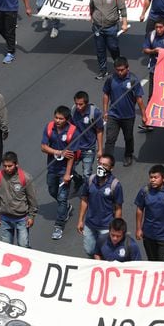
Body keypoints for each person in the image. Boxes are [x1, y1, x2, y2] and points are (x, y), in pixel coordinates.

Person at [42, 106, 80, 240]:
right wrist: (58, 152)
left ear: (67, 119)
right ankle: (67, 207)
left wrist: (67, 174)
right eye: (56, 117)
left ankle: (59, 226)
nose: (57, 120)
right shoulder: (49, 128)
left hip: (64, 170)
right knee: (53, 191)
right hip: (52, 169)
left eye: (61, 118)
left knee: (62, 197)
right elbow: (43, 147)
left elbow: (72, 156)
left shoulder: (72, 132)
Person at [101, 57, 147, 165]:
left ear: (127, 68)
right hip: (113, 115)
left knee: (128, 137)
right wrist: (105, 111)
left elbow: (139, 99)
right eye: (117, 70)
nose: (120, 72)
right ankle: (107, 160)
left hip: (128, 116)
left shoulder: (133, 80)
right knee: (110, 139)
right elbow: (106, 94)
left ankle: (128, 155)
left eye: (122, 70)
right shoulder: (111, 79)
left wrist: (144, 116)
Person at [77, 153, 123, 257]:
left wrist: (116, 227)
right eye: (100, 163)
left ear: (111, 168)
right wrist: (80, 220)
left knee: (105, 253)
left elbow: (118, 208)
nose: (101, 167)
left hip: (106, 227)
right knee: (89, 250)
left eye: (105, 165)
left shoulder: (115, 185)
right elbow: (84, 200)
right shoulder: (90, 180)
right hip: (90, 225)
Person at [0, 151, 38, 247]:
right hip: (5, 219)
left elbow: (32, 198)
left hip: (22, 219)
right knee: (6, 248)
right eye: (5, 166)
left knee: (23, 246)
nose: (7, 168)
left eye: (10, 166)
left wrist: (31, 216)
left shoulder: (25, 178)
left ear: (16, 164)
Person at [89, 0, 128, 80]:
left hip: (111, 27)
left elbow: (123, 10)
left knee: (113, 47)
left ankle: (119, 66)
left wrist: (124, 23)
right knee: (100, 50)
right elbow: (91, 6)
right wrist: (92, 17)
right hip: (97, 28)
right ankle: (103, 70)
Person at [70, 91, 105, 188]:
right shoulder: (73, 111)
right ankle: (78, 180)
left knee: (87, 174)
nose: (78, 107)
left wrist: (100, 150)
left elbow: (99, 131)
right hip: (75, 148)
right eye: (76, 104)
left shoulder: (95, 113)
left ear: (86, 103)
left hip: (88, 148)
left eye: (80, 104)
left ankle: (88, 194)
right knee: (68, 169)